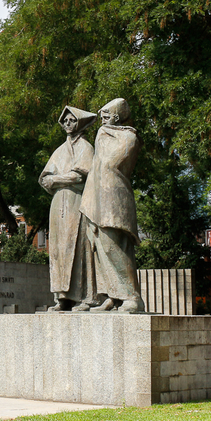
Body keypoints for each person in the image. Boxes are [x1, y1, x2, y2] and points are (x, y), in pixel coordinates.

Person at [79, 98, 145, 314]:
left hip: (114, 196)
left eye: (107, 113)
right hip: (96, 195)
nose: (103, 116)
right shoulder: (102, 135)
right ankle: (111, 296)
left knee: (113, 245)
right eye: (102, 113)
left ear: (117, 115)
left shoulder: (129, 137)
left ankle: (131, 297)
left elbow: (113, 163)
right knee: (98, 246)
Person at [39, 106, 98, 311]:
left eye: (71, 120)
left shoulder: (86, 147)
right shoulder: (59, 151)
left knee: (80, 246)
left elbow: (80, 176)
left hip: (77, 202)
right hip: (57, 204)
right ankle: (62, 297)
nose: (67, 124)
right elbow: (45, 180)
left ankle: (84, 297)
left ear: (79, 122)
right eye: (64, 121)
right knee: (58, 249)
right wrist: (59, 180)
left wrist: (57, 179)